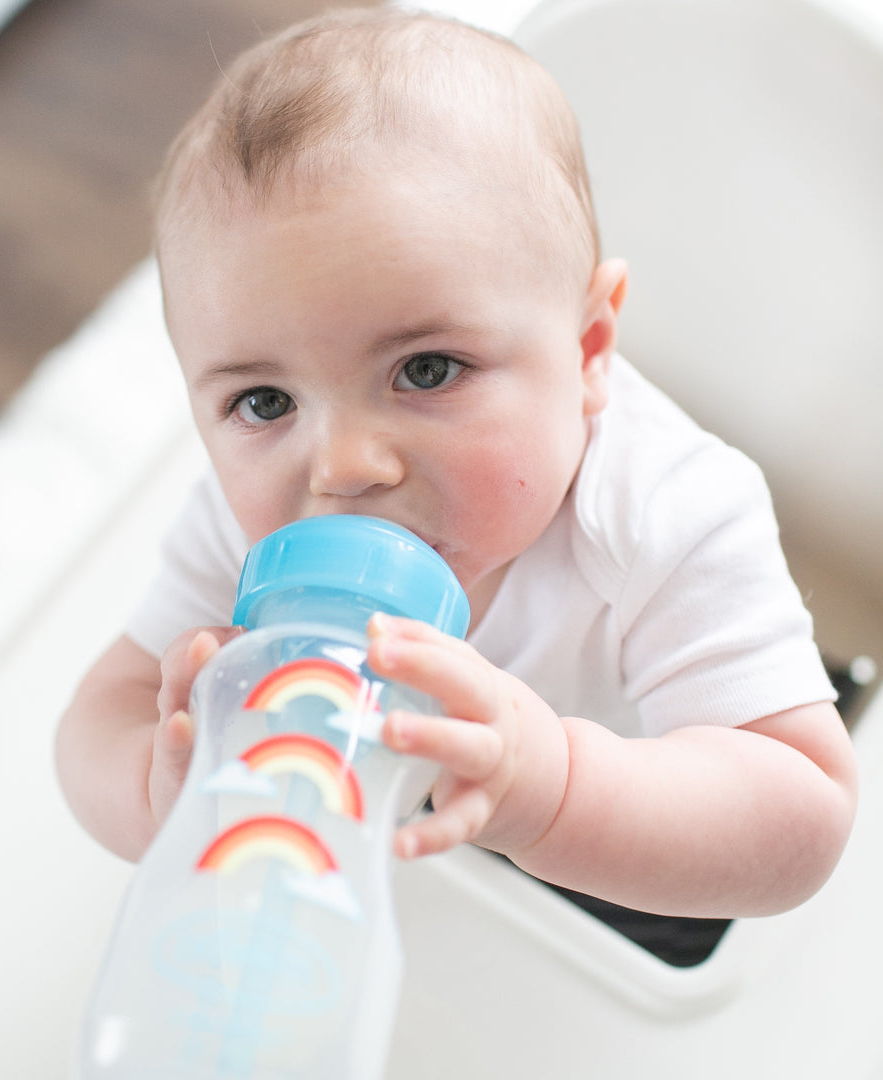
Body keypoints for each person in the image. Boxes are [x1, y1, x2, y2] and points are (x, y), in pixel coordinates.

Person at [55, 6, 857, 921]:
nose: (343, 467)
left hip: (648, 814)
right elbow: (98, 717)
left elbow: (804, 808)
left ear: (589, 350)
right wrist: (161, 797)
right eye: (265, 402)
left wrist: (554, 788)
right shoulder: (249, 525)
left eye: (426, 371)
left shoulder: (667, 513)